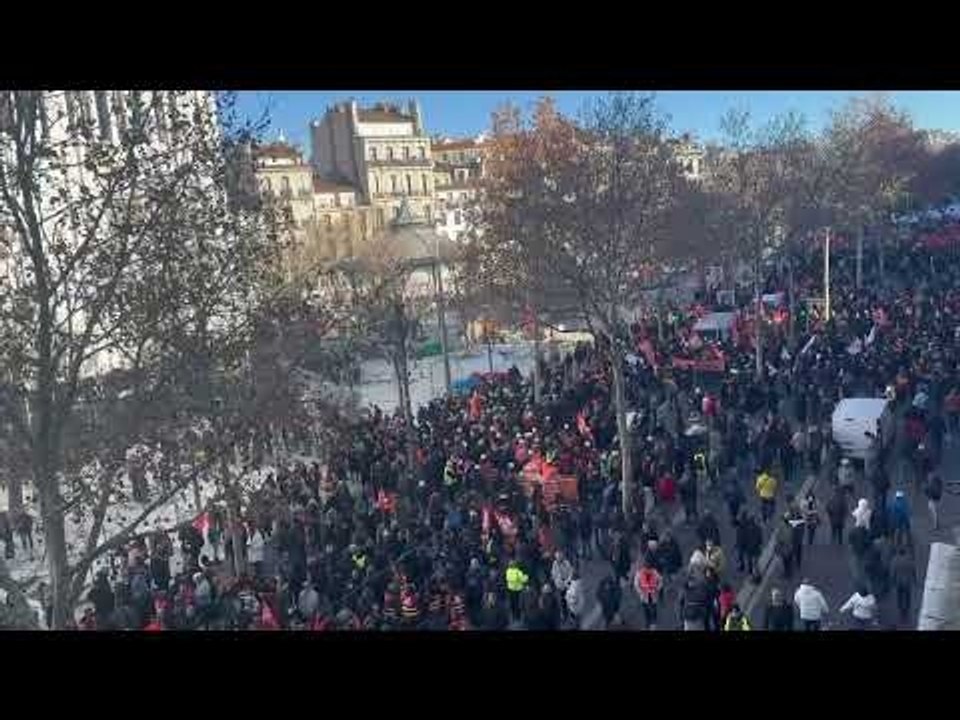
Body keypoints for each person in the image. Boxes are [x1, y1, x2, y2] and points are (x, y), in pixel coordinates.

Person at [890, 547, 916, 625]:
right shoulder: (909, 559)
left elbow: (893, 572)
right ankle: (907, 610)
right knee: (908, 596)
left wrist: (892, 581)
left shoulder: (895, 560)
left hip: (899, 582)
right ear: (905, 552)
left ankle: (901, 610)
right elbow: (913, 570)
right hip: (907, 581)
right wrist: (915, 579)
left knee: (900, 597)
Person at [634, 562, 663, 629]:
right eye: (646, 568)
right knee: (645, 610)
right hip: (644, 595)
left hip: (653, 594)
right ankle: (647, 624)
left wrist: (657, 589)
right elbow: (636, 583)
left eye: (649, 568)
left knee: (653, 609)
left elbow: (660, 581)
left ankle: (653, 624)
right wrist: (640, 592)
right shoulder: (639, 573)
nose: (648, 570)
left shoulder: (655, 572)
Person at [736, 512, 763, 577]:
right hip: (755, 547)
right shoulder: (758, 528)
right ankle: (756, 574)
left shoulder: (746, 528)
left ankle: (751, 572)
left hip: (749, 547)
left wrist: (742, 544)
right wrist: (759, 544)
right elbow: (760, 539)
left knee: (750, 560)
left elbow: (744, 538)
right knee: (755, 562)